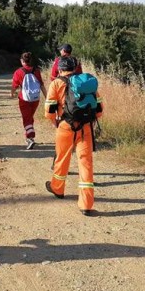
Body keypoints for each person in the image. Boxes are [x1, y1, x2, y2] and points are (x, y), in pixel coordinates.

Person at [44, 56, 103, 216]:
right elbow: (99, 110)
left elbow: (49, 111)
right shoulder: (86, 83)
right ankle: (86, 204)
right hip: (85, 128)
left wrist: (55, 122)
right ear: (75, 68)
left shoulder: (56, 83)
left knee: (62, 159)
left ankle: (58, 188)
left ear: (60, 69)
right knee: (86, 163)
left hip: (65, 126)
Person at [11, 52, 47, 150]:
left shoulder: (18, 72)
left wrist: (12, 94)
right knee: (30, 117)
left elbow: (14, 86)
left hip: (24, 99)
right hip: (35, 99)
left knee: (26, 118)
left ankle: (30, 138)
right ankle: (29, 136)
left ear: (22, 61)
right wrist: (46, 96)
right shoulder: (37, 71)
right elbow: (41, 84)